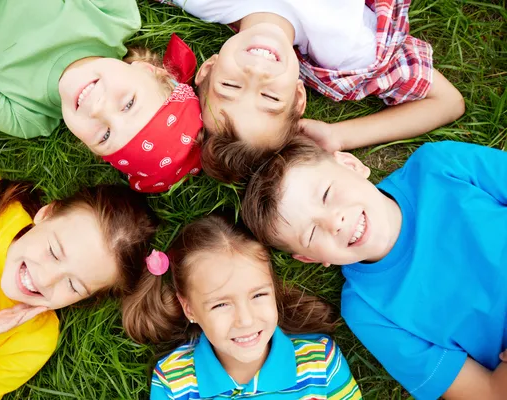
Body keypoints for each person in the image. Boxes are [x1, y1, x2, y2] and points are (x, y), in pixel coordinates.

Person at [241, 137, 507, 399]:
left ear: (350, 164)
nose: (335, 222)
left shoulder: (438, 164)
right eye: (311, 234)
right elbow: (488, 392)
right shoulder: (366, 311)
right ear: (310, 258)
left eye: (326, 194)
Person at [0, 171, 157, 399]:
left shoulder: (33, 339)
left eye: (73, 285)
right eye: (54, 252)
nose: (45, 279)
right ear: (46, 214)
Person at [0, 1, 202, 193]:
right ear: (150, 71)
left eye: (105, 135)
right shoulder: (114, 16)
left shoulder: (25, 116)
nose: (99, 110)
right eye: (128, 104)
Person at [158, 0, 464, 183]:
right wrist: (340, 135)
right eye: (270, 97)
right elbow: (446, 102)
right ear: (298, 95)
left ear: (208, 69)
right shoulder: (345, 51)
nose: (255, 74)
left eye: (230, 86)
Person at [122, 215, 361, 399]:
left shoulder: (320, 360)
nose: (245, 320)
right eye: (221, 304)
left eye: (258, 295)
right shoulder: (173, 381)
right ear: (189, 309)